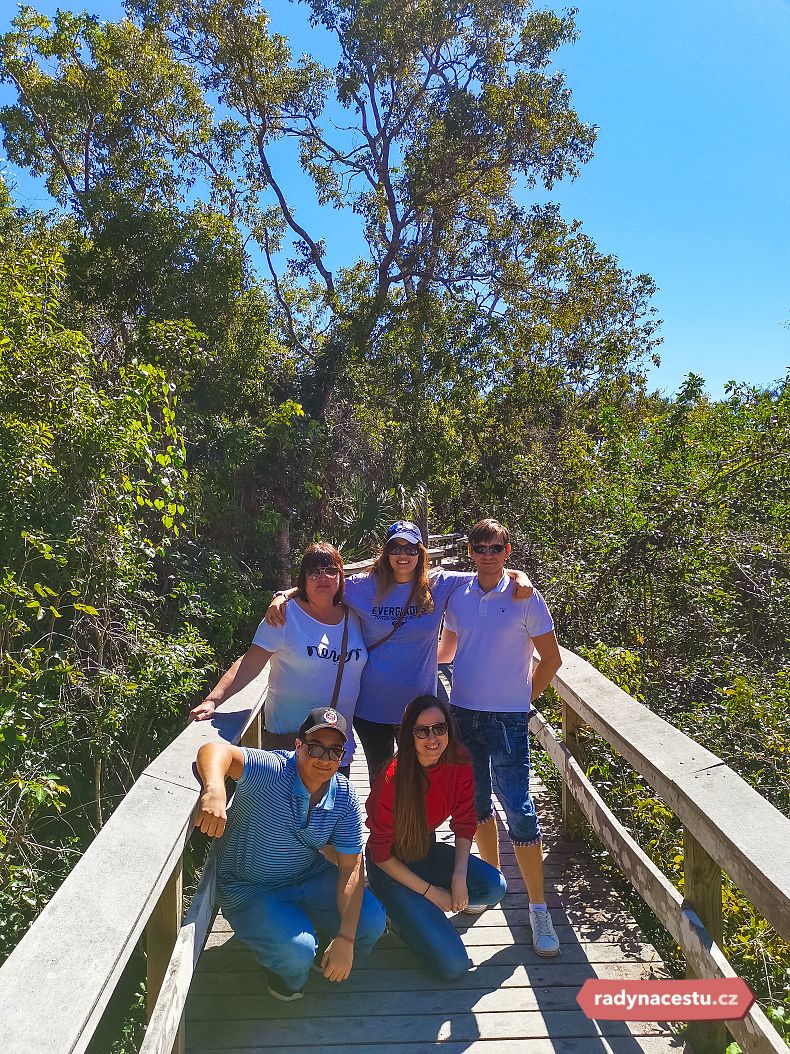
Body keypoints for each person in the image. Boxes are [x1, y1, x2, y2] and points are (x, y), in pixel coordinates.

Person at [266, 521, 531, 781]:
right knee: (381, 783)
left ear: (420, 553)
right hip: (372, 710)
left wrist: (519, 575)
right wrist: (283, 594)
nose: (402, 555)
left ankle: (421, 828)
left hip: (419, 711)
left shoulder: (439, 583)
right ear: (386, 552)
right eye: (396, 548)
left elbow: (487, 571)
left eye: (411, 549)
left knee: (421, 783)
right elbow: (325, 580)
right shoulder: (364, 585)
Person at [194, 707, 386, 1001]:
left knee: (371, 922)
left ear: (343, 757)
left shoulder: (345, 796)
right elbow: (216, 751)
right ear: (298, 746)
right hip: (249, 887)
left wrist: (346, 938)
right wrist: (215, 789)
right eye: (315, 748)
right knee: (296, 956)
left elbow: (351, 867)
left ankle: (323, 947)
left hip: (307, 875)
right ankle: (285, 967)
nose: (324, 759)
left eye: (334, 751)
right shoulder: (272, 770)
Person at [437, 518, 563, 957]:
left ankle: (537, 907)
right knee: (474, 804)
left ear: (508, 551)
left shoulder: (526, 595)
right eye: (479, 547)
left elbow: (551, 659)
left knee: (519, 808)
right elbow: (449, 649)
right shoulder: (460, 596)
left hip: (508, 720)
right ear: (469, 551)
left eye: (495, 547)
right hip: (463, 714)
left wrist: (522, 697)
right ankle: (491, 883)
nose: (487, 554)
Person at [190, 542, 366, 773]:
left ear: (340, 576)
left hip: (336, 746)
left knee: (330, 809)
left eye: (330, 570)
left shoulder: (354, 616)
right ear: (303, 579)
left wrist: (283, 593)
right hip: (291, 745)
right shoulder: (284, 616)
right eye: (314, 572)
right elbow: (250, 663)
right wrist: (213, 700)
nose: (322, 577)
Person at [364, 694, 506, 980]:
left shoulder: (459, 761)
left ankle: (419, 913)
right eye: (422, 730)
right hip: (390, 868)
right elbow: (380, 853)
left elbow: (465, 821)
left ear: (449, 730)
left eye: (440, 728)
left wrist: (458, 877)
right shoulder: (392, 778)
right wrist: (431, 892)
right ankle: (394, 913)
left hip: (426, 851)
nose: (432, 737)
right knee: (454, 967)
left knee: (494, 886)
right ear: (409, 735)